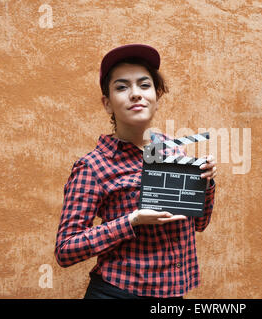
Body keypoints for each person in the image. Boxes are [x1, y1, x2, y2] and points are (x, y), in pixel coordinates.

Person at [54, 44, 217, 299]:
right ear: (107, 104)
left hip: (172, 296)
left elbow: (199, 223)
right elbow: (65, 250)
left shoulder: (176, 154)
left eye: (144, 85)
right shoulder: (93, 167)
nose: (135, 94)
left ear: (156, 97)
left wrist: (205, 183)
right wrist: (132, 220)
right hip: (117, 293)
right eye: (122, 87)